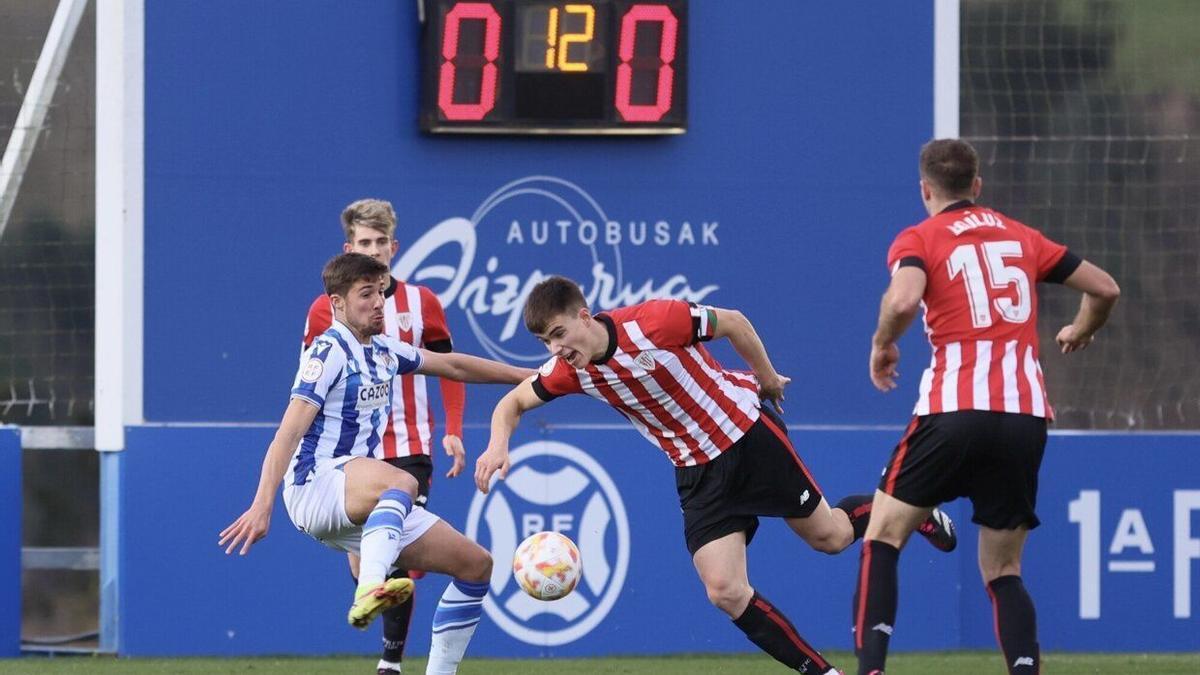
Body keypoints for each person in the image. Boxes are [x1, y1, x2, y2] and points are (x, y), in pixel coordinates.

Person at [473, 277, 957, 675]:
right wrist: (498, 443)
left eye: (559, 334)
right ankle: (823, 673)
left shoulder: (654, 321)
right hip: (696, 472)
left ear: (584, 316)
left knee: (830, 537)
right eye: (546, 343)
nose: (557, 349)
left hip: (745, 434)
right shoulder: (570, 371)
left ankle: (913, 511)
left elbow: (734, 323)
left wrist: (765, 378)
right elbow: (512, 402)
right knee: (724, 591)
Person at [853, 139, 1120, 675]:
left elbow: (904, 299)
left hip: (954, 407)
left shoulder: (920, 237)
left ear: (926, 189)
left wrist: (884, 343)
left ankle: (871, 671)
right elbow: (1106, 289)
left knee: (882, 535)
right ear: (977, 186)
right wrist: (1080, 330)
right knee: (1003, 569)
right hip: (1024, 415)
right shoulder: (1023, 237)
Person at [220, 253, 534, 675]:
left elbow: (454, 365)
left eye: (381, 293)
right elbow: (287, 434)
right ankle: (370, 587)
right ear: (337, 304)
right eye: (365, 294)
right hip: (315, 485)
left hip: (357, 502)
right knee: (401, 481)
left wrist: (532, 376)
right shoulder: (327, 352)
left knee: (476, 565)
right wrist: (262, 504)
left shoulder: (385, 350)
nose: (377, 303)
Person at [302, 199, 467, 675]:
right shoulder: (325, 310)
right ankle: (374, 589)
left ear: (394, 247)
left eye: (380, 243)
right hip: (351, 452)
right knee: (375, 561)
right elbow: (308, 382)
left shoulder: (422, 303)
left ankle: (389, 662)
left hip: (410, 445)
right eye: (364, 243)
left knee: (398, 557)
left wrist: (453, 429)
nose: (373, 251)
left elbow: (451, 367)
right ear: (349, 247)